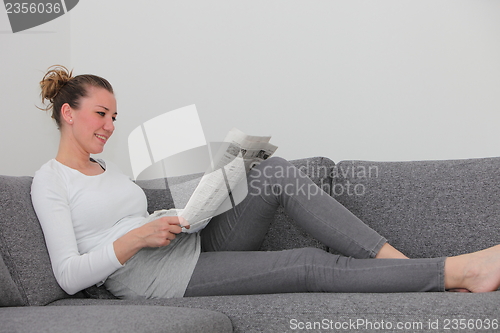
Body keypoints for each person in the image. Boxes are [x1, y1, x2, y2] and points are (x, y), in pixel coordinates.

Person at [31, 65, 500, 300]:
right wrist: (136, 237)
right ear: (68, 113)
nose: (110, 125)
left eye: (114, 116)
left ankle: (398, 267)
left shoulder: (106, 171)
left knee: (272, 169)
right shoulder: (49, 182)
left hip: (179, 240)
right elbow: (68, 276)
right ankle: (457, 272)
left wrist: (192, 208)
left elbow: (137, 220)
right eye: (101, 114)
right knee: (304, 263)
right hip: (152, 276)